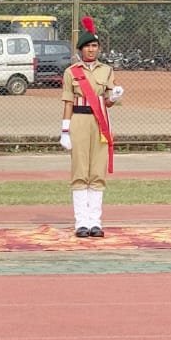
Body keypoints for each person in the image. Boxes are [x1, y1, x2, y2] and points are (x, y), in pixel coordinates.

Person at [59, 16, 124, 238]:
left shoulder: (106, 70)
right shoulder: (71, 72)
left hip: (100, 122)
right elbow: (68, 101)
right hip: (79, 120)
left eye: (95, 46)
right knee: (80, 171)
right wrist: (65, 130)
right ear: (81, 49)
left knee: (97, 171)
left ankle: (95, 222)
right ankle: (81, 223)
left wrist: (114, 96)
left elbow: (107, 101)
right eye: (87, 46)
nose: (91, 50)